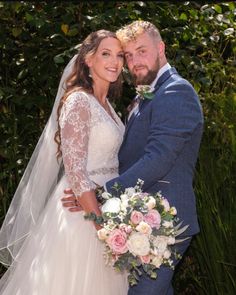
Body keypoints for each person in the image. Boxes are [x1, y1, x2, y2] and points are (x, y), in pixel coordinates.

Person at [62, 21, 204, 295]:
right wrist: (89, 193)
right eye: (128, 55)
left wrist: (101, 193)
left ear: (161, 48)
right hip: (136, 218)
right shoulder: (144, 95)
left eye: (141, 51)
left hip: (166, 220)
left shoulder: (176, 91)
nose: (133, 61)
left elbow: (158, 159)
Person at [0, 30, 128, 294]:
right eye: (106, 53)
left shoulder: (108, 106)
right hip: (83, 214)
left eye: (119, 55)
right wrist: (102, 227)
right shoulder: (79, 101)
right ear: (88, 60)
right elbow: (76, 170)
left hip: (110, 206)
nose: (114, 61)